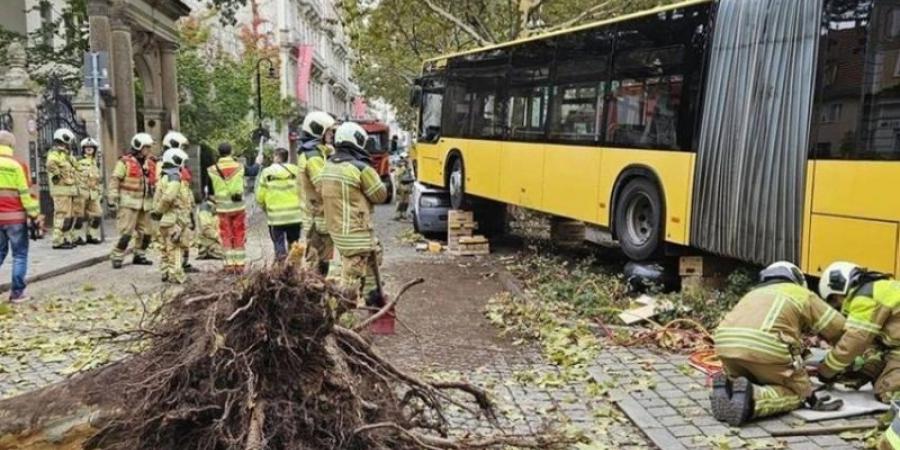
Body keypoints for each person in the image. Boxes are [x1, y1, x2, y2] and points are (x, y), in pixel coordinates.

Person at [711, 261, 845, 426]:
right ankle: (753, 397)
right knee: (797, 394)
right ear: (796, 278)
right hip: (764, 348)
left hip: (725, 346)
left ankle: (730, 387)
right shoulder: (801, 293)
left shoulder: (752, 293)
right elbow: (839, 328)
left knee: (748, 378)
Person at [318, 122, 388, 303]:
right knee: (352, 275)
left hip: (337, 230)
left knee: (374, 256)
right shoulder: (360, 168)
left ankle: (373, 298)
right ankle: (341, 310)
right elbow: (380, 195)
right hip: (356, 232)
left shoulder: (328, 165)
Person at [816, 262, 900, 401]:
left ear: (841, 287)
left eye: (836, 299)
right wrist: (866, 372)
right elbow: (875, 343)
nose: (839, 305)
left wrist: (826, 370)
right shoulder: (879, 289)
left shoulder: (864, 297)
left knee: (888, 392)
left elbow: (855, 341)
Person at [0, 131, 42, 303]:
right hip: (16, 218)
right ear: (11, 145)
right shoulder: (18, 165)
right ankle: (17, 293)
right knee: (19, 255)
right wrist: (34, 214)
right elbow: (26, 194)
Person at [108, 133, 155, 269]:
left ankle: (140, 254)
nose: (149, 150)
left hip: (145, 203)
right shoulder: (124, 162)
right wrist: (112, 197)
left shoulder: (149, 163)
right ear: (139, 147)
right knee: (126, 233)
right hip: (129, 203)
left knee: (147, 233)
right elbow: (115, 180)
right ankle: (117, 256)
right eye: (147, 147)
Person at [297, 111, 336, 275]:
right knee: (319, 260)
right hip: (318, 216)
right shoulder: (314, 158)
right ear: (318, 131)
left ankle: (316, 290)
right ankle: (315, 293)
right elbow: (323, 186)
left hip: (314, 213)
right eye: (329, 131)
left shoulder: (312, 153)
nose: (332, 134)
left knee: (318, 258)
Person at [152, 147, 193, 283]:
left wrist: (157, 212)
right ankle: (176, 275)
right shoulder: (174, 178)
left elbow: (158, 197)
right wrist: (160, 210)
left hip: (165, 220)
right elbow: (169, 198)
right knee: (175, 248)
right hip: (174, 219)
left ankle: (165, 272)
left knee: (165, 247)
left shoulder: (164, 177)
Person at [160, 131, 198, 274]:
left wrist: (191, 208)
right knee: (171, 243)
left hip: (184, 208)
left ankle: (183, 264)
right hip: (173, 211)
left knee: (185, 239)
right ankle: (170, 270)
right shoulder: (163, 166)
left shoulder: (179, 166)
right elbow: (163, 191)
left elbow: (186, 188)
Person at [256, 147, 302, 260]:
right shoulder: (296, 170)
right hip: (294, 215)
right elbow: (303, 190)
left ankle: (282, 269)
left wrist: (263, 207)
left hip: (276, 217)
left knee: (279, 243)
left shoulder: (267, 172)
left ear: (276, 157)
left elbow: (260, 196)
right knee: (294, 244)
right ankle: (294, 269)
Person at [206, 142, 245, 272]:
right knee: (239, 234)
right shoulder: (239, 167)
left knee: (226, 235)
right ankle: (239, 265)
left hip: (222, 208)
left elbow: (209, 192)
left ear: (219, 152)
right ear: (231, 151)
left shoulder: (212, 170)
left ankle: (229, 265)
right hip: (238, 207)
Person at [46, 128, 80, 249]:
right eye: (69, 142)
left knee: (69, 216)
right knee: (61, 214)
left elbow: (76, 167)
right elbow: (50, 164)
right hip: (60, 191)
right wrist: (58, 174)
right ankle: (57, 240)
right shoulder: (54, 154)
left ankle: (66, 238)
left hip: (69, 190)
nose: (70, 144)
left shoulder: (66, 155)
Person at [75, 137, 103, 244]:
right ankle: (77, 237)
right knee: (79, 216)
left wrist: (100, 191)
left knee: (97, 214)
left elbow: (99, 179)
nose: (89, 149)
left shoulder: (96, 163)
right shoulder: (78, 161)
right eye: (87, 147)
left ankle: (92, 235)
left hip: (93, 193)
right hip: (81, 192)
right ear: (83, 149)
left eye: (91, 147)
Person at [392, 153, 414, 220]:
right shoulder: (399, 166)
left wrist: (411, 185)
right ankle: (398, 214)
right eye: (406, 157)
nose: (407, 159)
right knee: (400, 201)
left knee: (406, 202)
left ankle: (404, 213)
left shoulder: (408, 166)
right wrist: (397, 186)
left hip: (408, 185)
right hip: (401, 185)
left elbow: (411, 175)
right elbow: (397, 176)